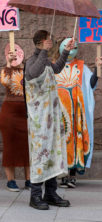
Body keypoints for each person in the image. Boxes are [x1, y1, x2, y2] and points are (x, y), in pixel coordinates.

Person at [24, 30, 75, 210]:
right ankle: (35, 195)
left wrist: (66, 52)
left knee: (53, 152)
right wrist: (44, 51)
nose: (52, 41)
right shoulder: (32, 61)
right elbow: (34, 73)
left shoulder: (45, 60)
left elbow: (57, 68)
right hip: (39, 121)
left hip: (51, 118)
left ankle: (51, 193)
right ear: (42, 41)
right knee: (40, 154)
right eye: (49, 39)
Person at [50, 37, 102, 188]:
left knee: (74, 141)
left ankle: (71, 175)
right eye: (68, 46)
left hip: (75, 113)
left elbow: (90, 84)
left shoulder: (81, 66)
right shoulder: (53, 66)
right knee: (59, 141)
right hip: (58, 111)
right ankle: (59, 174)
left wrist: (97, 69)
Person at [0, 43, 30, 191]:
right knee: (10, 146)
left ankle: (29, 180)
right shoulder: (6, 71)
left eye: (18, 52)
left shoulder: (28, 70)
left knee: (27, 147)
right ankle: (10, 180)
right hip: (9, 114)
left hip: (25, 113)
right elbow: (4, 82)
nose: (15, 55)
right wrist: (8, 65)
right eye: (12, 53)